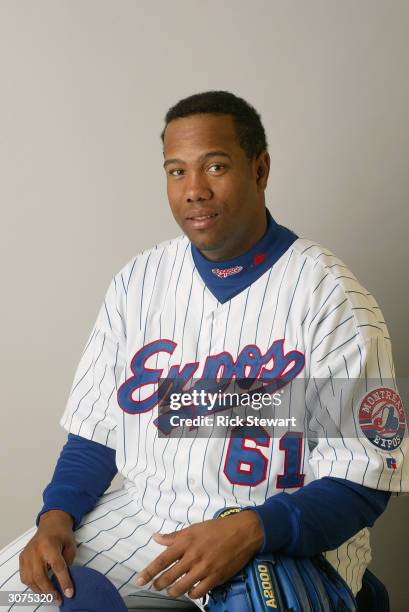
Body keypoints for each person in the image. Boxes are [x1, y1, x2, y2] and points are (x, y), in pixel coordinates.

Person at [0, 90, 407, 612]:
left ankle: (352, 595)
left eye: (215, 166)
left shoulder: (331, 296)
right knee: (13, 594)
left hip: (275, 535)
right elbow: (98, 431)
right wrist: (55, 515)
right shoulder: (137, 282)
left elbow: (367, 477)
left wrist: (257, 528)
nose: (194, 190)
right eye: (176, 171)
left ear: (259, 169)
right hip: (149, 521)